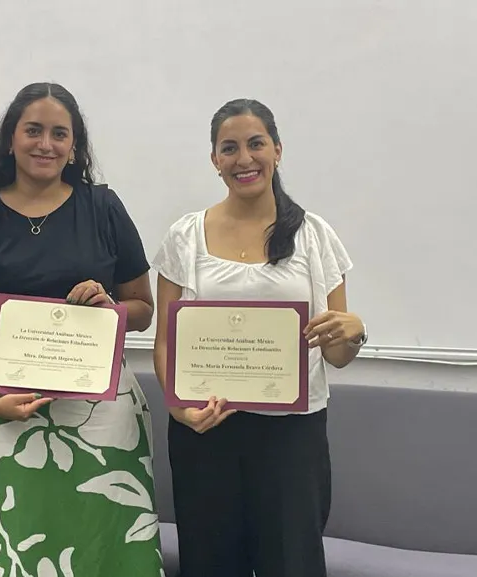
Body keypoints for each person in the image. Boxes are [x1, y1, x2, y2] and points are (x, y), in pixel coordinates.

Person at [0, 82, 164, 576]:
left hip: (100, 419)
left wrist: (111, 309)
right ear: (10, 138)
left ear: (74, 146)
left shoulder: (104, 207)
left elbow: (142, 307)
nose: (46, 144)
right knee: (1, 548)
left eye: (60, 134)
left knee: (98, 548)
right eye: (33, 130)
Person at [151, 98, 368, 577]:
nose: (243, 158)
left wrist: (354, 333)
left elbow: (336, 353)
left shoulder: (314, 235)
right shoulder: (185, 237)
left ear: (277, 150)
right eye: (229, 148)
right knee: (209, 563)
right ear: (214, 160)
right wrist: (177, 408)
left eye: (255, 144)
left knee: (292, 562)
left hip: (291, 435)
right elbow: (167, 341)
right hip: (206, 429)